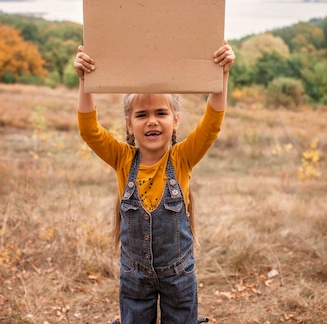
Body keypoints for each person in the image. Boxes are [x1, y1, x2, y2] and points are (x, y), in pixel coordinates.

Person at [73, 41, 235, 324]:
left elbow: (212, 123)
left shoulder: (183, 157)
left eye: (161, 113)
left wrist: (221, 74)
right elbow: (89, 130)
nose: (152, 121)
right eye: (141, 115)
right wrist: (85, 81)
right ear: (128, 123)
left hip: (179, 277)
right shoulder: (122, 158)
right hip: (135, 277)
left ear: (176, 120)